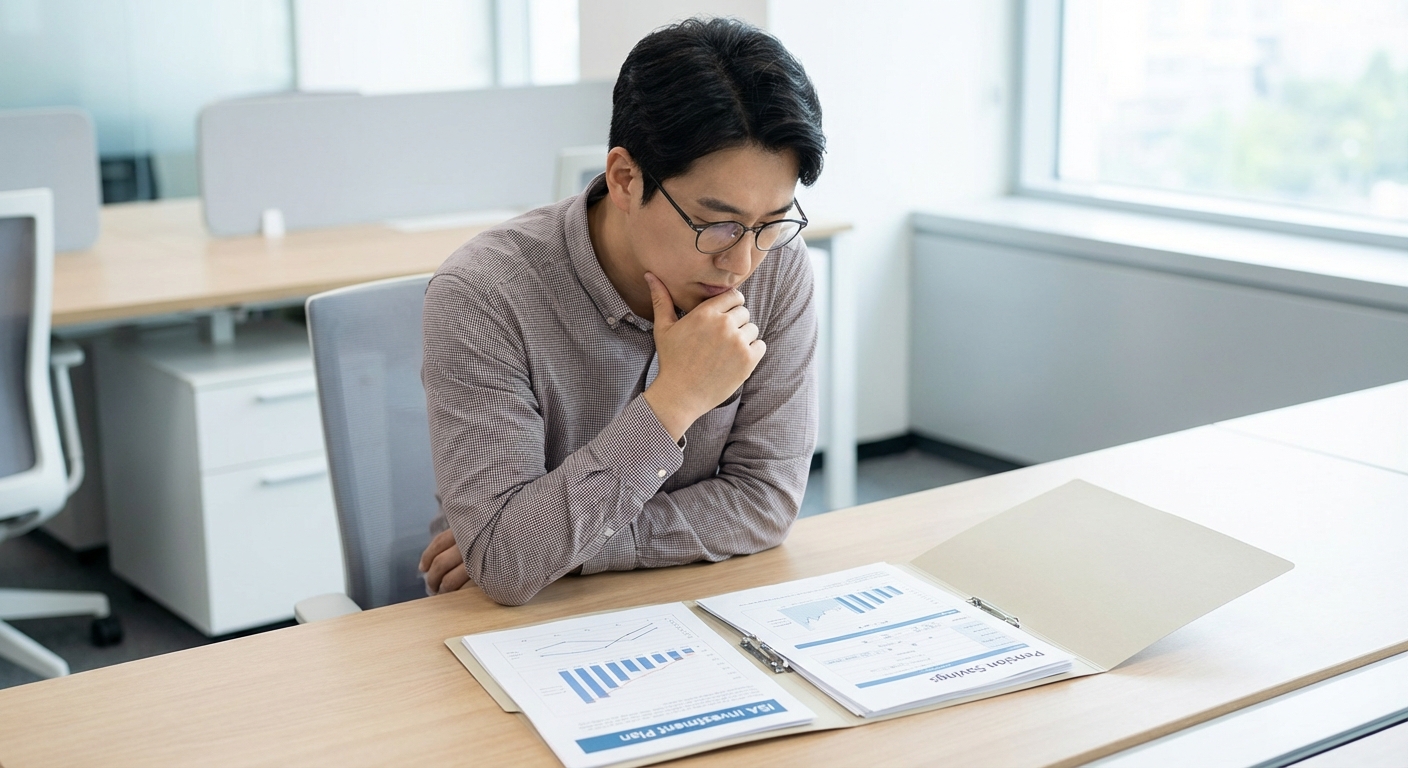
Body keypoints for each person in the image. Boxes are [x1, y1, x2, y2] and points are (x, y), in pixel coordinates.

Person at [417, 17, 826, 606]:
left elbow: (767, 502)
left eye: (771, 223)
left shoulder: (779, 266)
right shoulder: (485, 294)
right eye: (716, 224)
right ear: (625, 177)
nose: (742, 262)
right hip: (506, 632)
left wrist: (558, 544)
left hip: (694, 604)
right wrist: (674, 402)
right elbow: (506, 567)